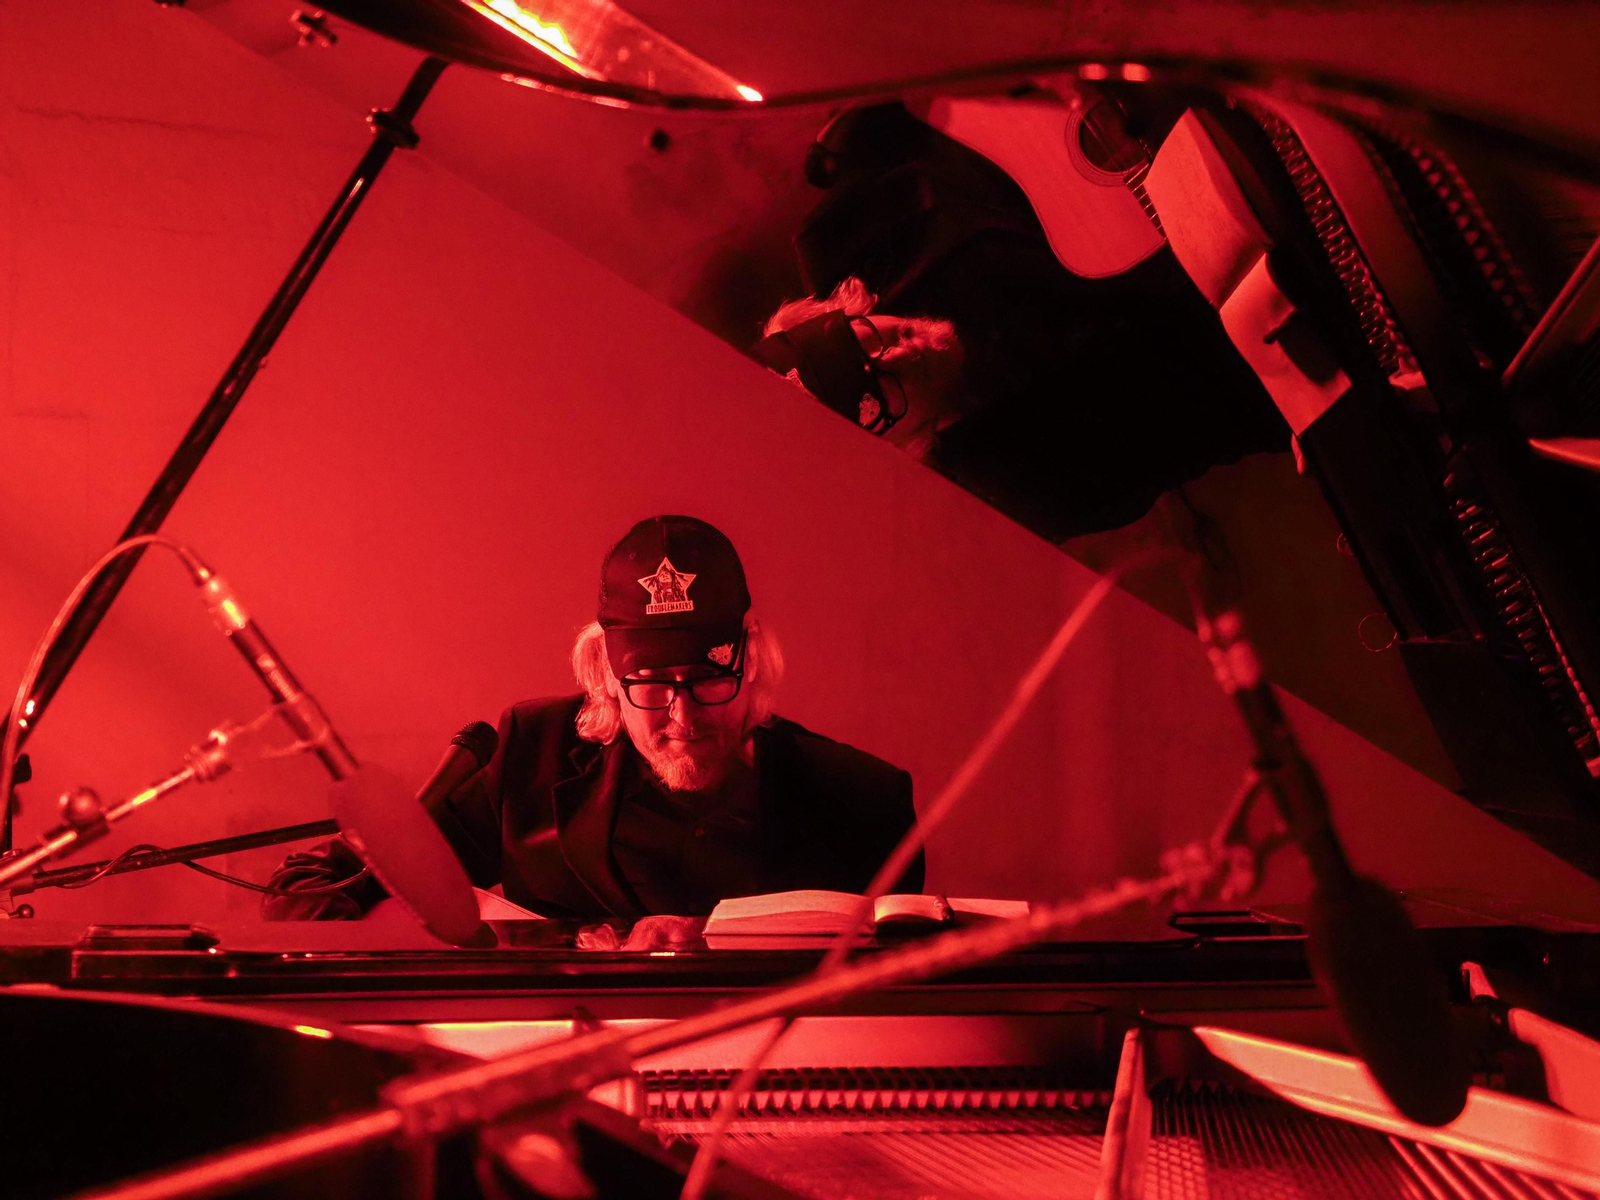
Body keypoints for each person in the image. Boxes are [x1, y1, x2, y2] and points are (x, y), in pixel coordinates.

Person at [263, 515, 921, 921]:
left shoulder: (864, 801)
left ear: (753, 665)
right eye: (651, 685)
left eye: (707, 679)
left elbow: (900, 998)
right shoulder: (529, 757)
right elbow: (312, 889)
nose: (683, 714)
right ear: (605, 678)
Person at [752, 103, 1290, 543]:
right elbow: (1241, 401)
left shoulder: (865, 237)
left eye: (861, 340)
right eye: (883, 394)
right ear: (902, 448)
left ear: (844, 310)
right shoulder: (1035, 482)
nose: (895, 354)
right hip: (1261, 251)